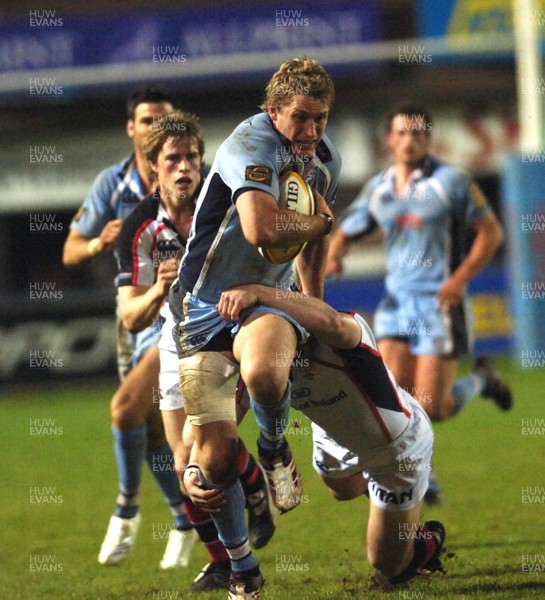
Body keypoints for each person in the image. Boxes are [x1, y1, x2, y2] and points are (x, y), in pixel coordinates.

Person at [168, 56, 341, 598]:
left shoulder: (321, 160)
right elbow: (264, 228)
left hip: (266, 302)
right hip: (202, 308)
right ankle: (243, 568)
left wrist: (314, 307)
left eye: (322, 118)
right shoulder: (250, 143)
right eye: (301, 118)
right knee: (209, 466)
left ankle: (271, 445)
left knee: (266, 371)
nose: (312, 130)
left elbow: (315, 241)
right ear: (273, 111)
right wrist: (319, 221)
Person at [183, 282, 447, 588]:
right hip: (334, 434)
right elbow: (215, 423)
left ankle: (424, 538)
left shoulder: (341, 332)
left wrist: (259, 291)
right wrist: (193, 466)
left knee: (388, 566)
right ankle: (395, 512)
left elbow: (330, 321)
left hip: (395, 447)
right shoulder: (263, 363)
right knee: (340, 487)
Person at [117, 111, 276, 588]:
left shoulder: (227, 196)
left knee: (206, 452)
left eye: (192, 157)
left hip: (233, 328)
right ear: (152, 166)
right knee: (185, 455)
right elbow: (129, 316)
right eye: (173, 159)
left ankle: (251, 507)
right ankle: (230, 553)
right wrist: (155, 289)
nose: (184, 167)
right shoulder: (141, 227)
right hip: (174, 333)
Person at [326, 102, 513, 502]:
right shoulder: (379, 188)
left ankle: (482, 380)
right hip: (397, 304)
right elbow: (348, 229)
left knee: (434, 405)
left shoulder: (452, 182)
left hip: (438, 305)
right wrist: (336, 253)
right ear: (390, 140)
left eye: (417, 133)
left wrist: (459, 280)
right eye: (402, 133)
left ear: (428, 139)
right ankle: (420, 476)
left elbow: (491, 233)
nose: (409, 140)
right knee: (393, 401)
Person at [62, 86, 196, 567]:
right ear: (131, 129)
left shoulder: (191, 180)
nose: (154, 129)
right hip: (133, 317)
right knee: (153, 433)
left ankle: (126, 509)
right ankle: (184, 521)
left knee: (125, 410)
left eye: (164, 120)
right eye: (146, 121)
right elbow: (70, 251)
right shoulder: (112, 185)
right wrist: (101, 242)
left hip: (176, 319)